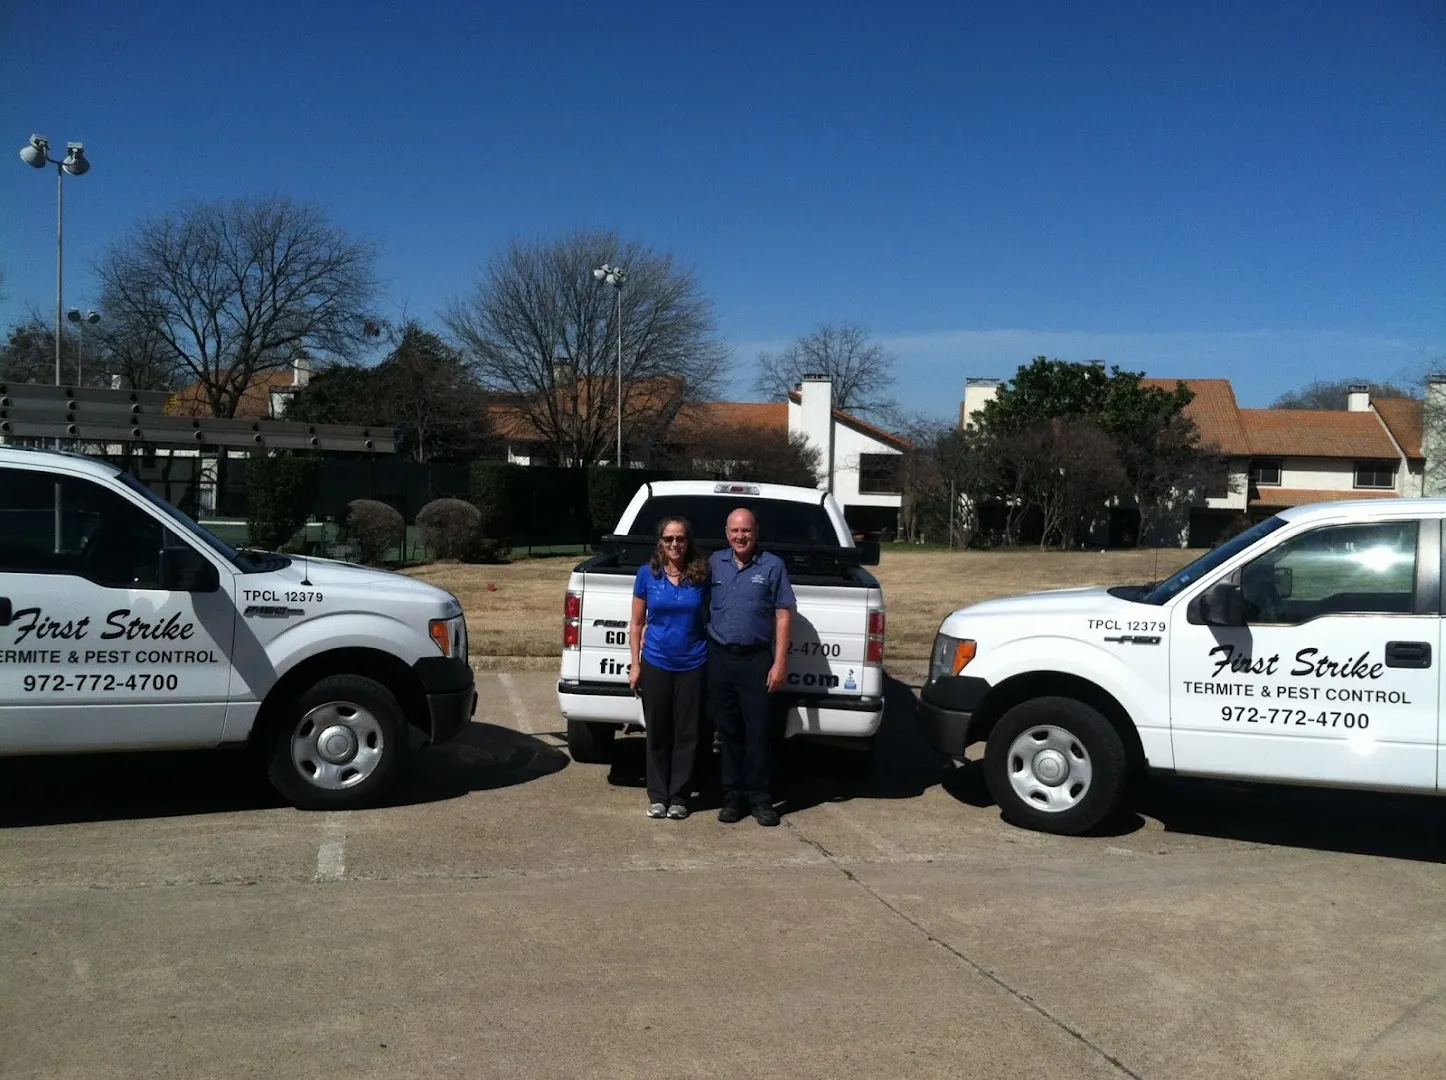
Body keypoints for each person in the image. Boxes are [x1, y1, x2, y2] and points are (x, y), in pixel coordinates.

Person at [706, 507, 796, 826]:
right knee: (728, 732)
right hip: (719, 658)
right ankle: (733, 799)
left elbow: (784, 613)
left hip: (757, 660)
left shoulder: (773, 566)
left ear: (756, 533)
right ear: (726, 533)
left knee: (758, 733)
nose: (740, 536)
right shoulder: (713, 563)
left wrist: (780, 662)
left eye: (746, 531)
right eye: (734, 531)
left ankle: (761, 799)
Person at [629, 515, 710, 820]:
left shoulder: (701, 574)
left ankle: (679, 796)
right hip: (656, 662)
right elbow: (637, 623)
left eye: (680, 538)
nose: (675, 544)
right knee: (658, 730)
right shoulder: (647, 575)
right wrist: (635, 664)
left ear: (688, 542)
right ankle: (658, 795)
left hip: (694, 662)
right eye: (669, 539)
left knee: (687, 733)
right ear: (660, 542)